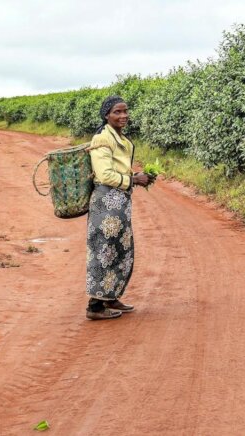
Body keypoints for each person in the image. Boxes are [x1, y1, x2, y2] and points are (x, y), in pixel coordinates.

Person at [84, 95, 150, 320]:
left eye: (125, 111)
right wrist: (133, 180)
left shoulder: (118, 137)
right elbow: (104, 175)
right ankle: (95, 306)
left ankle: (110, 297)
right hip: (106, 203)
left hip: (119, 203)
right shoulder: (102, 139)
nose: (123, 116)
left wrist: (137, 176)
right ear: (106, 115)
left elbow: (118, 169)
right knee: (104, 252)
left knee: (120, 250)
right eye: (117, 112)